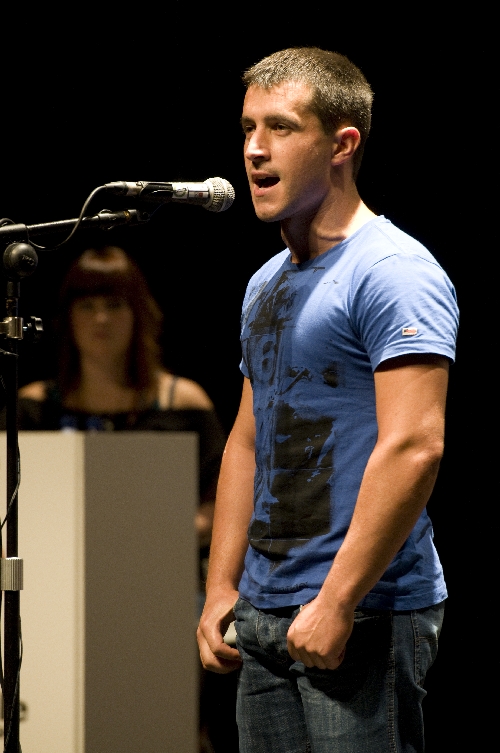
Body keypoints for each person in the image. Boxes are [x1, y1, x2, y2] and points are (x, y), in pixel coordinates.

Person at [197, 47, 459, 753]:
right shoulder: (265, 282)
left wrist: (338, 599)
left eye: (280, 128)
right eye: (248, 128)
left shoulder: (393, 270)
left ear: (342, 144)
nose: (255, 149)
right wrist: (221, 588)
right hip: (263, 614)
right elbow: (247, 441)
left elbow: (415, 445)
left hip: (362, 612)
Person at [11, 245, 225, 548]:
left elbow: (224, 500)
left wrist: (158, 537)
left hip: (161, 564)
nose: (101, 318)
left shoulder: (184, 404)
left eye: (114, 305)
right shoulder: (32, 408)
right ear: (67, 317)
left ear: (137, 313)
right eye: (87, 306)